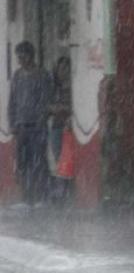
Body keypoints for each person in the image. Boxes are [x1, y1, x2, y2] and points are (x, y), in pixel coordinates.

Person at [8, 41, 53, 208]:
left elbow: (45, 100)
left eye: (21, 55)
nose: (19, 59)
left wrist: (40, 119)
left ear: (29, 55)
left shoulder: (42, 75)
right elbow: (12, 101)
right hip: (21, 127)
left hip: (37, 127)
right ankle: (26, 198)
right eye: (18, 56)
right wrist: (12, 122)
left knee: (39, 162)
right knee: (23, 163)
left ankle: (42, 197)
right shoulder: (17, 76)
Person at [48, 56, 74, 204]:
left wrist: (62, 109)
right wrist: (55, 109)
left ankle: (67, 191)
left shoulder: (72, 87)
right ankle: (61, 192)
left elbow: (72, 108)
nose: (63, 71)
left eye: (65, 68)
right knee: (59, 158)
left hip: (68, 129)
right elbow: (48, 106)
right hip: (56, 127)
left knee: (68, 160)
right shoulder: (54, 88)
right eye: (61, 68)